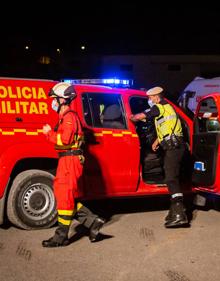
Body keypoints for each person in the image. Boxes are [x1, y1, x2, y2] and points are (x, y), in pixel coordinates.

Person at [42, 82, 105, 247]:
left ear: (63, 100)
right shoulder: (65, 117)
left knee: (65, 197)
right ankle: (93, 222)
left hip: (70, 161)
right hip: (67, 160)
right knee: (66, 195)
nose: (52, 102)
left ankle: (61, 236)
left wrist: (49, 133)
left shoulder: (69, 117)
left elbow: (64, 140)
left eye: (55, 99)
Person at [130, 86, 189, 228]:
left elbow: (141, 116)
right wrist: (157, 140)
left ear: (156, 97)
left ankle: (180, 215)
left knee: (171, 178)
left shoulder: (160, 107)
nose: (149, 100)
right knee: (171, 177)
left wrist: (131, 117)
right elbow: (169, 126)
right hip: (173, 146)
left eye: (150, 98)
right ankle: (174, 210)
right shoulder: (167, 108)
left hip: (174, 148)